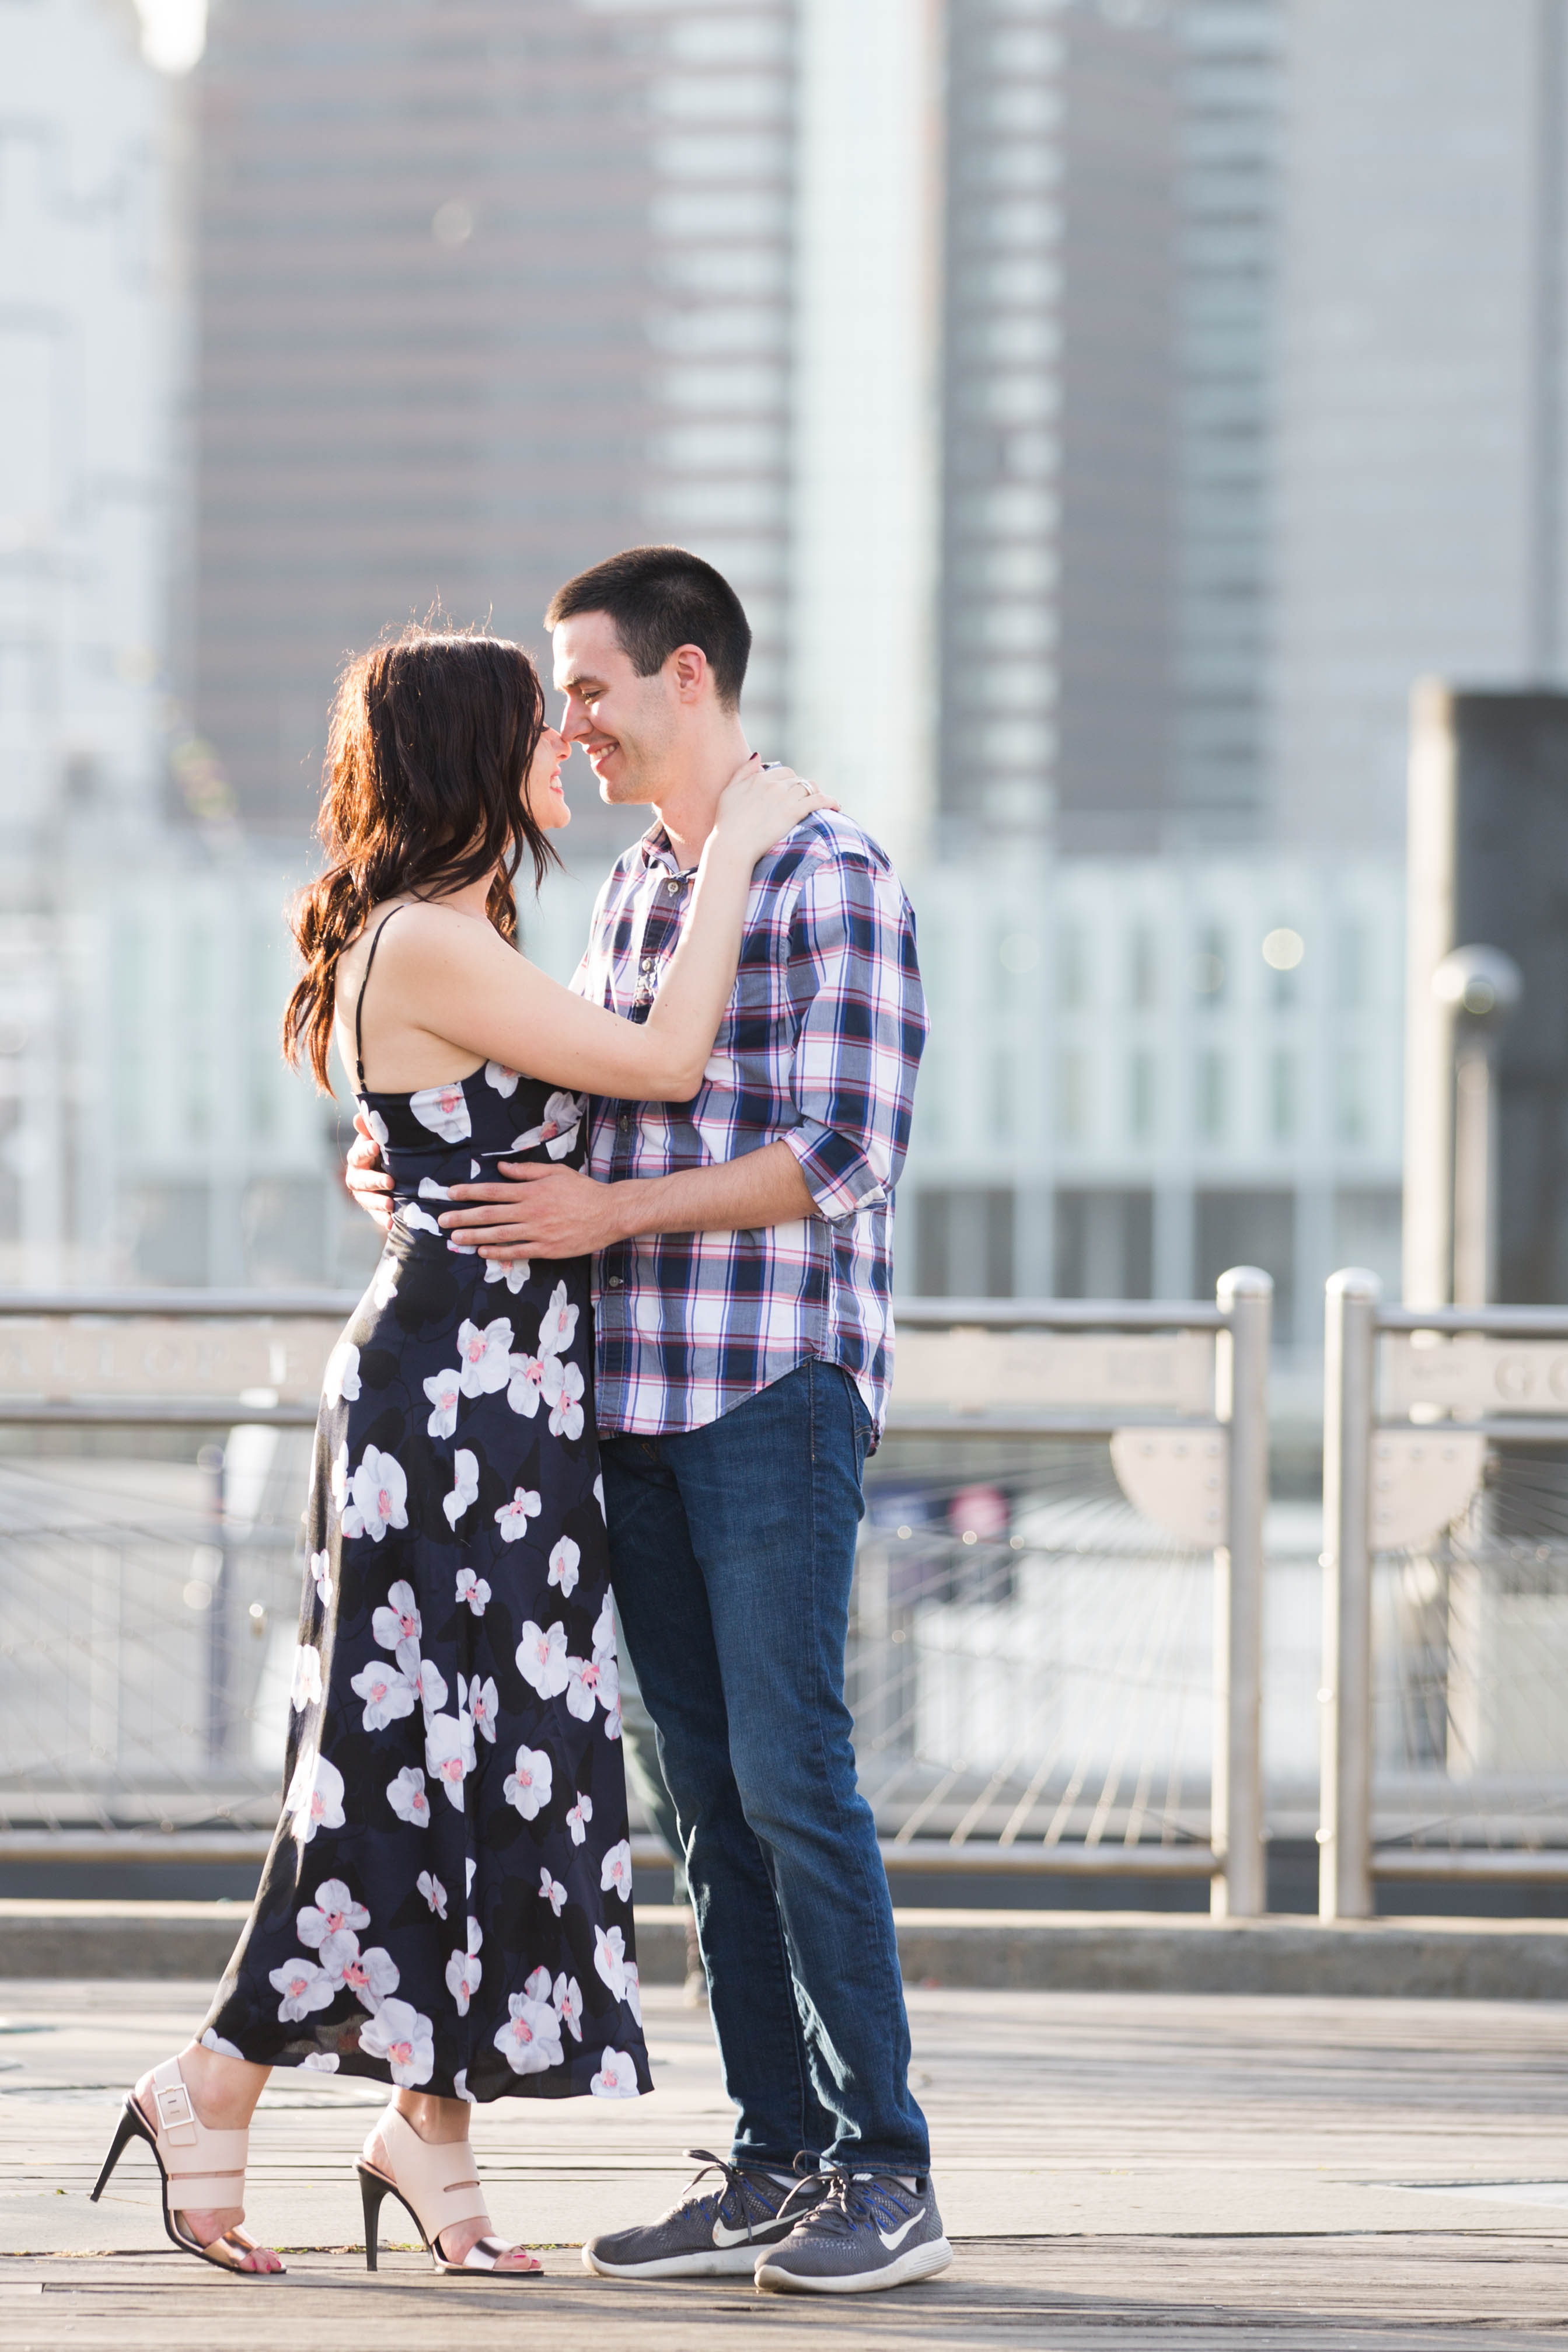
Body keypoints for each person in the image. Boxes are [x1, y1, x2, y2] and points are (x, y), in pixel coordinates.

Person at [89, 625, 826, 2280]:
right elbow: (660, 1065)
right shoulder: (427, 936)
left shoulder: (447, 931)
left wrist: (403, 1183)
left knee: (474, 1767)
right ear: (470, 753)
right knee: (388, 1769)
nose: (563, 741)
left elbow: (442, 1138)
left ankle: (428, 2136)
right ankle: (210, 2078)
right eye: (535, 721)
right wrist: (745, 853)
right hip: (450, 1417)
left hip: (492, 1408)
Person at [347, 548, 947, 2297]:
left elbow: (841, 1159)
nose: (571, 725)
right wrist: (417, 1162)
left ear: (690, 676)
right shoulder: (629, 895)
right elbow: (591, 1115)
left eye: (592, 689)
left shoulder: (827, 875)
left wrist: (610, 1218)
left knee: (791, 1771)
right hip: (624, 1400)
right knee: (699, 1795)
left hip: (772, 1388)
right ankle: (774, 2156)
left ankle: (886, 2165)